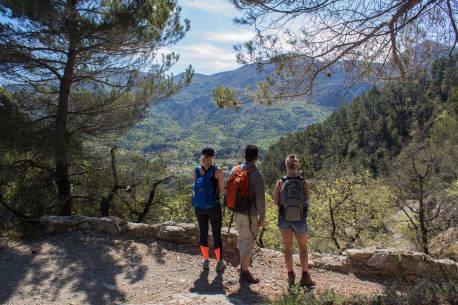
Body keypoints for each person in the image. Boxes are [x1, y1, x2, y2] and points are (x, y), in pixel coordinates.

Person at [273, 154, 315, 287]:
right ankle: (305, 276)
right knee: (303, 248)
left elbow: (275, 202)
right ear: (297, 166)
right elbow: (307, 200)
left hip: (284, 218)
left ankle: (291, 276)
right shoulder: (303, 182)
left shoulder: (280, 182)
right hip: (300, 219)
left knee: (288, 248)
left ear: (286, 165)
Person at [232, 145, 265, 283]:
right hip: (250, 214)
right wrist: (262, 216)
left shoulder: (235, 169)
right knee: (249, 241)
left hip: (237, 212)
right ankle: (244, 272)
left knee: (241, 239)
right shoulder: (256, 174)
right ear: (256, 157)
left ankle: (242, 266)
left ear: (244, 155)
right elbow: (260, 198)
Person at [192, 147, 226, 272]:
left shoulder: (196, 170)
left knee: (203, 232)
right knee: (216, 234)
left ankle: (205, 261)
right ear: (212, 156)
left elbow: (194, 188)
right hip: (213, 206)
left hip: (199, 207)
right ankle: (219, 262)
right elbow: (221, 189)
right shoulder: (217, 170)